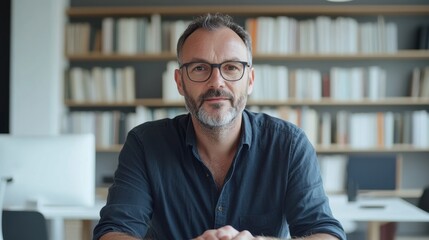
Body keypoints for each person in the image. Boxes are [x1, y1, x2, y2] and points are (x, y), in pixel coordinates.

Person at [93, 13, 346, 240]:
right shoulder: (145, 144)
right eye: (200, 68)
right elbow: (114, 232)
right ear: (180, 82)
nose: (217, 82)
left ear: (250, 80)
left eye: (231, 67)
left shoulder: (289, 144)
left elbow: (326, 233)